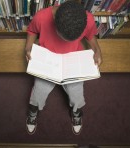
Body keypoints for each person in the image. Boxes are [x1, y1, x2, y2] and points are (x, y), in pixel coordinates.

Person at [24, 0, 102, 135]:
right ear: (55, 23)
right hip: (47, 60)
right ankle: (33, 109)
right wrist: (28, 47)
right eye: (64, 38)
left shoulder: (87, 18)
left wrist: (97, 50)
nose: (66, 42)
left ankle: (76, 110)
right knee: (38, 93)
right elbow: (31, 31)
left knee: (77, 95)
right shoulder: (42, 17)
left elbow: (90, 36)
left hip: (73, 60)